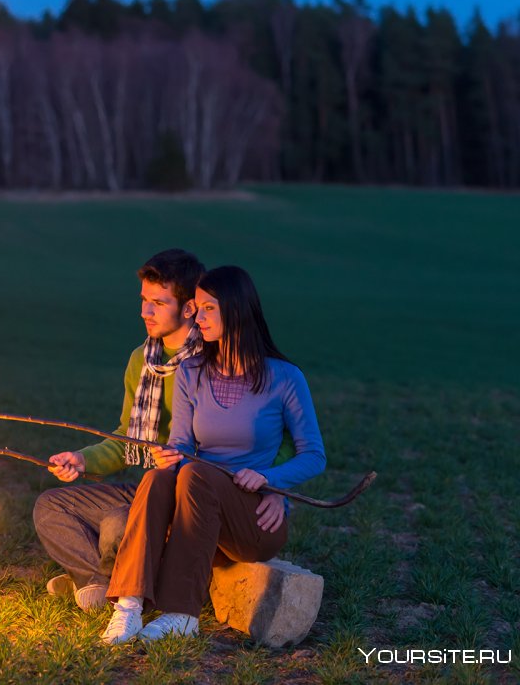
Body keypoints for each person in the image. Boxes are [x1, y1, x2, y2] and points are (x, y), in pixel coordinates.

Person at [101, 265, 326, 643]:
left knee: (195, 475)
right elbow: (183, 443)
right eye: (196, 308)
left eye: (208, 309)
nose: (196, 317)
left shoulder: (285, 378)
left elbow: (314, 455)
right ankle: (129, 604)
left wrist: (272, 482)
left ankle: (181, 614)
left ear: (235, 311)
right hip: (198, 515)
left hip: (253, 519)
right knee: (159, 476)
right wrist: (172, 455)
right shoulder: (192, 371)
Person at [32, 248, 205, 612]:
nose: (145, 312)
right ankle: (98, 578)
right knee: (50, 507)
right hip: (144, 487)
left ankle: (101, 578)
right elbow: (128, 434)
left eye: (158, 302)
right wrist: (81, 459)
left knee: (115, 525)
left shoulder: (212, 361)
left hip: (187, 498)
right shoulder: (141, 359)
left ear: (188, 308)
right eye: (144, 300)